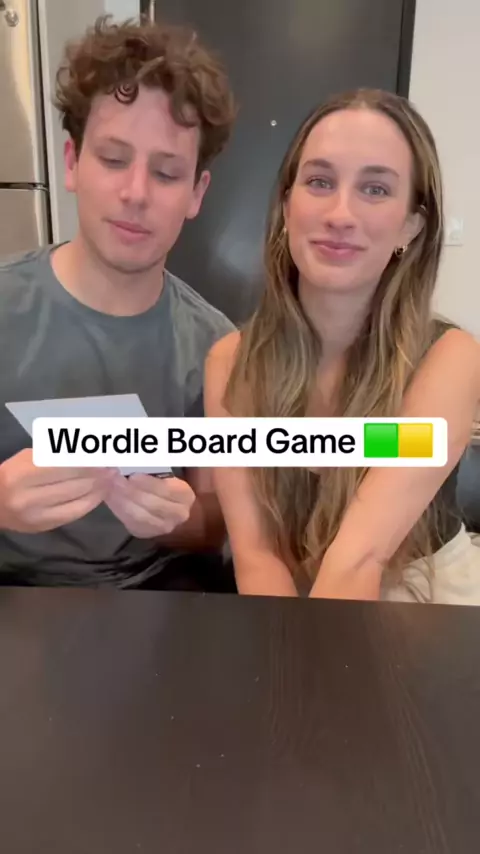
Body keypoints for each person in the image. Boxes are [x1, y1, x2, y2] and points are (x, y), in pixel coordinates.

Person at [205, 88, 480, 604]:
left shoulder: (452, 358)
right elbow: (256, 556)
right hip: (294, 602)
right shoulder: (229, 362)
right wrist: (284, 650)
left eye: (375, 189)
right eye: (319, 181)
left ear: (412, 225)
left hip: (429, 603)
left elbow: (357, 559)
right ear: (287, 205)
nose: (340, 213)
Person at [0, 15, 237, 590]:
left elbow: (217, 523)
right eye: (112, 160)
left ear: (196, 194)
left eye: (166, 173)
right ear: (72, 163)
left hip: (155, 596)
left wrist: (180, 521)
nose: (135, 193)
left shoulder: (217, 347)